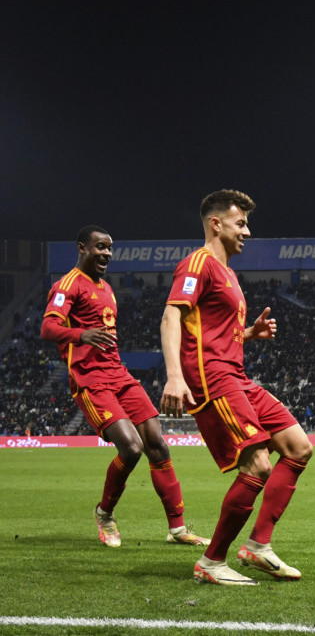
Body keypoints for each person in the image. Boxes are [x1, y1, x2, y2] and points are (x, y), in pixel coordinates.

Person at [161, 189, 313, 586]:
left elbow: (210, 330)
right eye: (240, 223)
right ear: (216, 223)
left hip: (237, 375)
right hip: (213, 378)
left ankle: (258, 546)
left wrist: (247, 333)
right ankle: (211, 562)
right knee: (258, 465)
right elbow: (171, 317)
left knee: (299, 447)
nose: (248, 230)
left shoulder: (227, 272)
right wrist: (175, 376)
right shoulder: (198, 264)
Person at [41, 225, 209, 548]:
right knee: (131, 448)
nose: (106, 253)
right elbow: (48, 327)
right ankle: (104, 513)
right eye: (100, 247)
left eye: (109, 248)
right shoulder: (66, 285)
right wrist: (81, 335)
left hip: (119, 376)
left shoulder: (106, 288)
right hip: (90, 381)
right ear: (82, 248)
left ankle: (178, 530)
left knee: (157, 444)